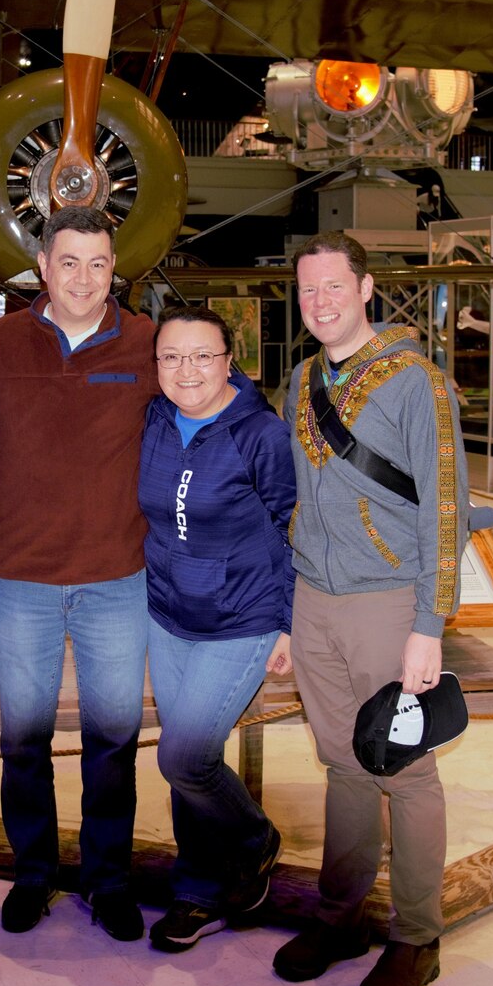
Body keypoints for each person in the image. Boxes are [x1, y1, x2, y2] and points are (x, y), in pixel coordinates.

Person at [275, 232, 469, 986]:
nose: (319, 302)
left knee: (407, 770)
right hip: (313, 598)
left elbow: (446, 509)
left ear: (365, 289)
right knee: (341, 762)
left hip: (390, 601)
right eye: (307, 290)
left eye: (333, 287)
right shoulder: (298, 381)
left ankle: (417, 935)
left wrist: (430, 622)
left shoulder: (418, 384)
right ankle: (340, 914)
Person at [0, 206, 158, 940]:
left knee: (112, 741)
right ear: (43, 266)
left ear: (114, 269)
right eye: (69, 262)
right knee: (23, 739)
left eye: (98, 264)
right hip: (22, 576)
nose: (84, 279)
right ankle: (32, 874)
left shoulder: (149, 343)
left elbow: (215, 407)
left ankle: (107, 879)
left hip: (117, 575)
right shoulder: (0, 342)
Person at [135, 305, 295, 952]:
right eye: (171, 356)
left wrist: (288, 623)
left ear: (231, 361)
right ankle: (197, 890)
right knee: (188, 763)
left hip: (242, 616)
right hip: (169, 615)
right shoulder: (151, 419)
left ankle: (256, 840)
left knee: (183, 755)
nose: (187, 369)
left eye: (203, 355)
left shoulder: (260, 433)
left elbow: (295, 528)